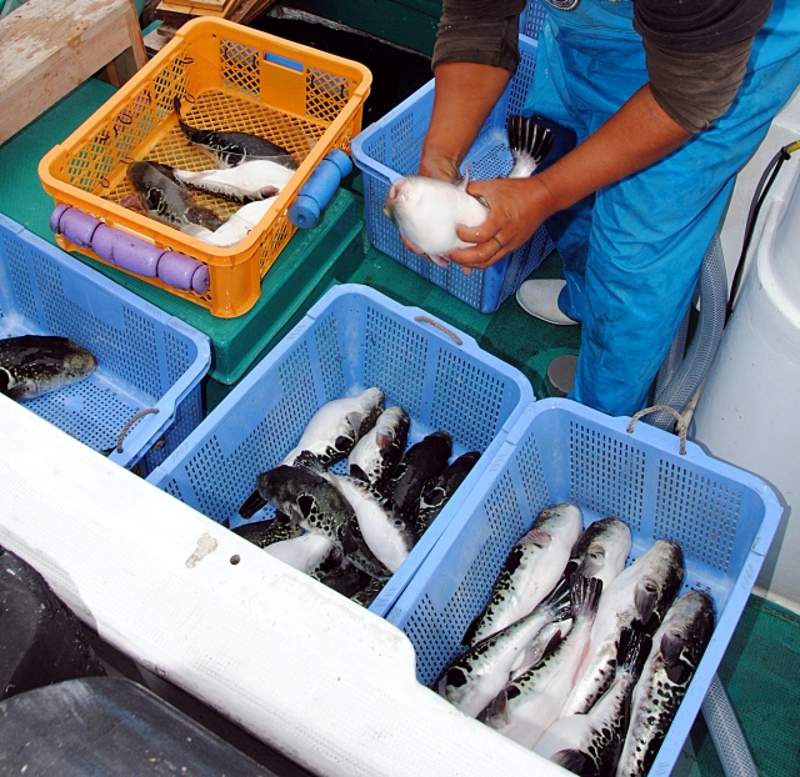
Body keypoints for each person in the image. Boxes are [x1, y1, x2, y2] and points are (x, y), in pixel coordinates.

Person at [410, 0, 800, 417]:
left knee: (631, 260)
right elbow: (479, 17)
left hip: (709, 62)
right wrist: (441, 156)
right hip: (594, 31)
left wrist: (542, 194)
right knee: (553, 151)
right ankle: (584, 299)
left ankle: (596, 423)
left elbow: (687, 96)